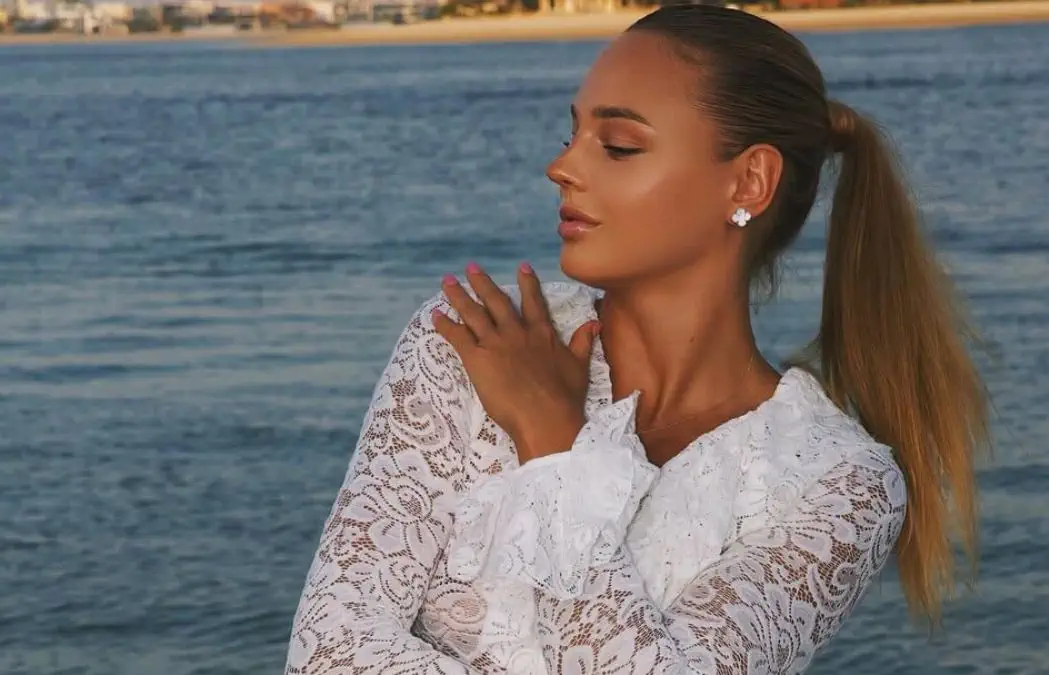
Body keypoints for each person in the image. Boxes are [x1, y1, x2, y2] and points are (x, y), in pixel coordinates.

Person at [284, 4, 989, 674]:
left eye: (618, 146)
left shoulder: (840, 486)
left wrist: (555, 447)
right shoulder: (473, 342)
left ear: (749, 182)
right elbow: (326, 656)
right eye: (571, 135)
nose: (563, 167)